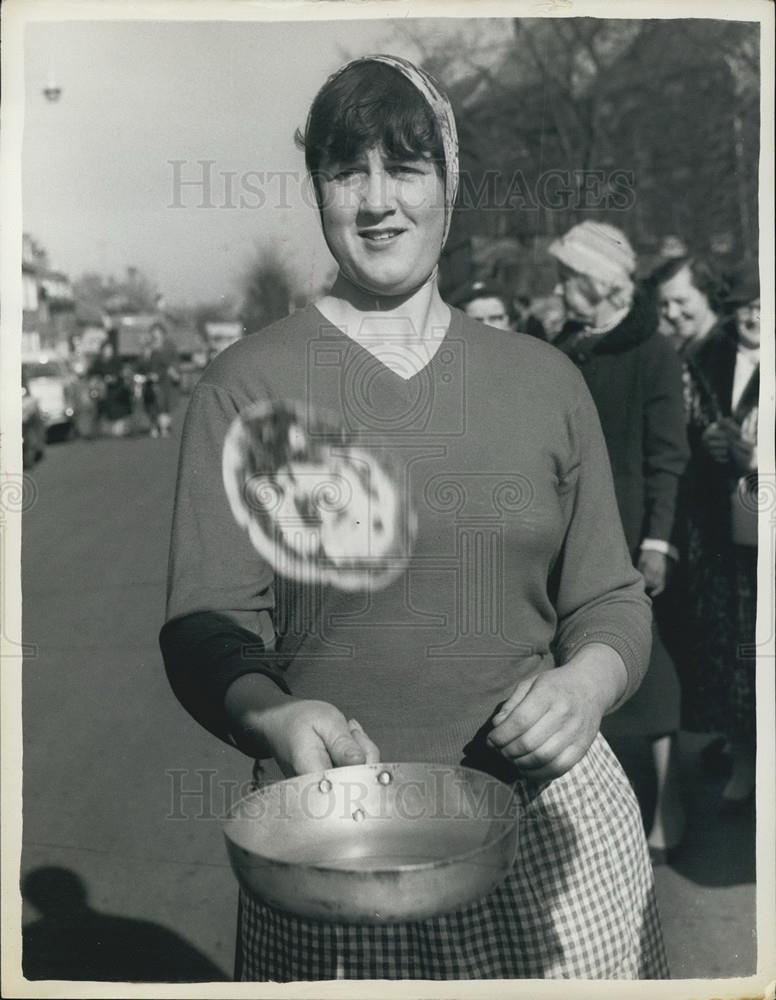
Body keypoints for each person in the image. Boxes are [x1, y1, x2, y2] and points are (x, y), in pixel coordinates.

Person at [160, 55, 667, 980]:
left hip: (549, 835)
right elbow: (208, 627)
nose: (378, 201)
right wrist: (268, 715)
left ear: (450, 181)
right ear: (316, 188)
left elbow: (610, 597)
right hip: (337, 848)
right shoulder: (246, 389)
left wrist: (586, 688)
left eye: (406, 167)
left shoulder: (544, 379)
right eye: (347, 170)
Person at [550, 222, 690, 862]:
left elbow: (668, 457)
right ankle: (592, 818)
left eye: (567, 279)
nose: (558, 290)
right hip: (570, 524)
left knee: (650, 667)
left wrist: (657, 542)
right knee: (578, 661)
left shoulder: (652, 350)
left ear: (599, 285)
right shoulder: (567, 344)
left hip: (630, 532)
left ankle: (670, 803)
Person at [653, 258, 760, 811]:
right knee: (740, 651)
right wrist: (711, 449)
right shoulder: (707, 356)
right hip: (728, 528)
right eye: (747, 306)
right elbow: (684, 437)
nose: (754, 316)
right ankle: (744, 756)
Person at [87, 340, 133, 436]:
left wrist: (114, 378)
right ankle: (97, 430)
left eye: (110, 349)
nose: (108, 351)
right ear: (102, 350)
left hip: (116, 391)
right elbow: (91, 374)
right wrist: (98, 380)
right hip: (102, 392)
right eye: (106, 349)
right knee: (99, 411)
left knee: (118, 411)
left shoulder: (116, 361)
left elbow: (122, 374)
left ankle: (119, 427)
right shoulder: (98, 362)